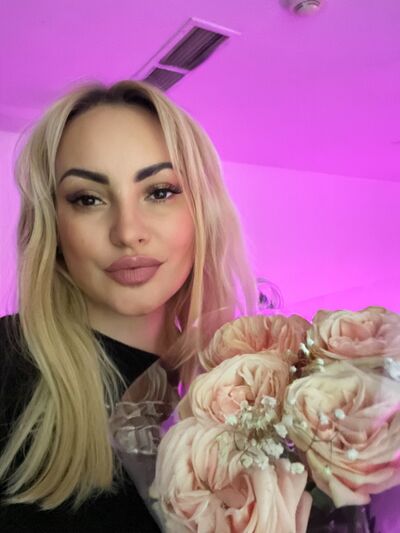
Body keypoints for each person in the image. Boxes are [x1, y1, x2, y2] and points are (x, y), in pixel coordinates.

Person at [0, 80, 258, 532]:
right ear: (54, 226)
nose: (127, 232)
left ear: (202, 211)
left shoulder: (241, 389)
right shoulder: (8, 363)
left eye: (159, 191)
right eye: (88, 199)